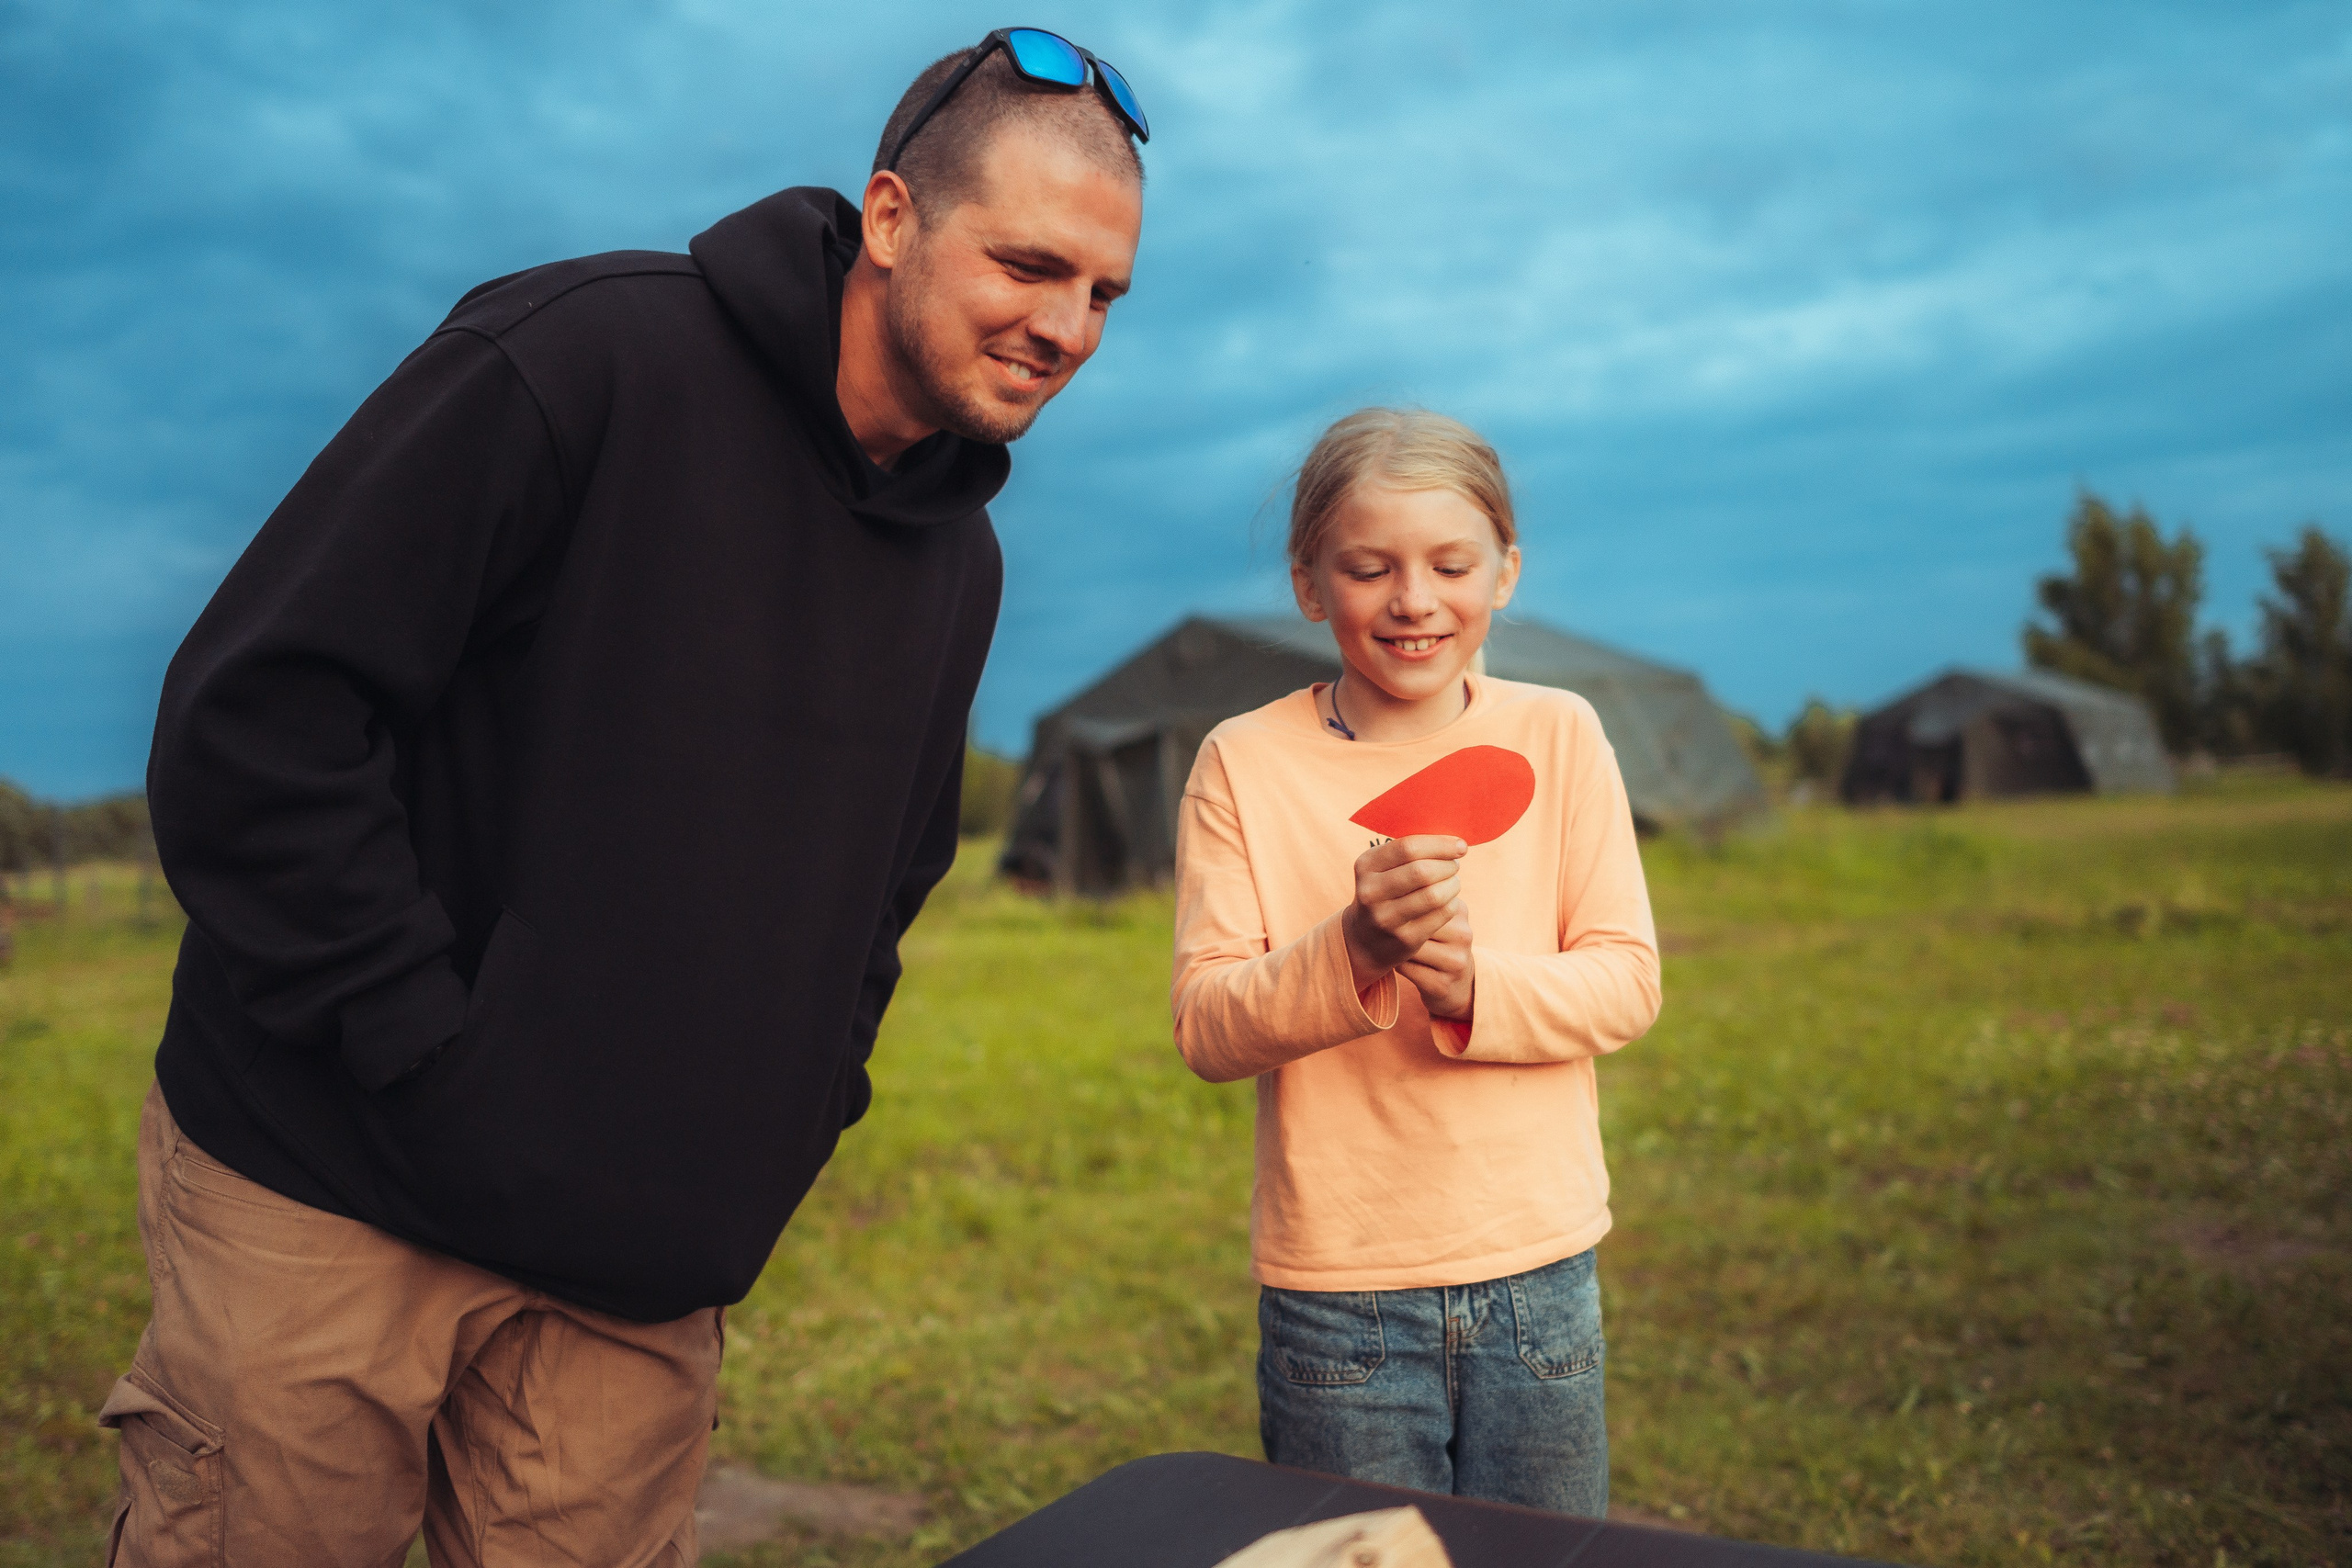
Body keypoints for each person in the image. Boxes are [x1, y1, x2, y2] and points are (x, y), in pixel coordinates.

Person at [103, 29, 1146, 1563]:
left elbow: (882, 899)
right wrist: (419, 1041)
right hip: (331, 1193)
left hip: (638, 1279)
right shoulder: (583, 357)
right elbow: (258, 715)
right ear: (890, 219)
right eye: (1032, 264)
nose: (1067, 325)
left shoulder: (959, 562)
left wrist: (774, 1135)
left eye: (1105, 293)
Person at [1170, 408, 1662, 1516]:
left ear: (1505, 572)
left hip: (1537, 1270)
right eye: (1367, 567)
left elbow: (1627, 979)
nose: (1413, 599)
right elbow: (1207, 1025)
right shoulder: (1241, 763)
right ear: (1309, 584)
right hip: (1339, 1298)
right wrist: (1353, 950)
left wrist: (1469, 984)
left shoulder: (1561, 732)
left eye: (1450, 564)